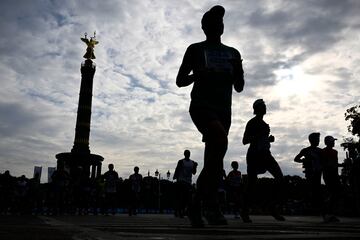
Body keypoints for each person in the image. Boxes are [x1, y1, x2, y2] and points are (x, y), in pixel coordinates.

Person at [176, 5, 244, 227]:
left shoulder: (233, 53)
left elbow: (239, 87)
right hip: (202, 106)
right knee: (219, 141)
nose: (218, 26)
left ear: (223, 27)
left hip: (225, 110)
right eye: (213, 23)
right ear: (205, 27)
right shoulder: (195, 49)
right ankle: (211, 207)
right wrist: (198, 74)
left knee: (214, 162)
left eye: (220, 23)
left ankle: (197, 205)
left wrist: (239, 70)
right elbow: (180, 80)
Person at [242, 99, 285, 222]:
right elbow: (245, 140)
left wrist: (268, 139)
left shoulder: (265, 124)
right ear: (257, 109)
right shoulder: (252, 123)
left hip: (266, 154)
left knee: (280, 179)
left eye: (265, 106)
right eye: (262, 106)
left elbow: (262, 140)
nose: (265, 108)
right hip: (254, 155)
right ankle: (244, 211)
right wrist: (260, 135)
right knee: (251, 184)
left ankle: (272, 206)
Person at [294, 132, 323, 215]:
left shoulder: (320, 151)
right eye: (317, 139)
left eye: (318, 139)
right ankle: (311, 207)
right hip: (310, 172)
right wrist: (304, 160)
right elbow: (296, 159)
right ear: (312, 140)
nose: (318, 141)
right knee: (312, 190)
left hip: (318, 172)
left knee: (317, 190)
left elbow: (324, 162)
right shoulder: (306, 150)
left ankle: (315, 208)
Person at [173, 150, 198, 218]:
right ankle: (180, 211)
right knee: (183, 197)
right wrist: (176, 178)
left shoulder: (192, 162)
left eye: (188, 153)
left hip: (188, 182)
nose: (187, 154)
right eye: (187, 153)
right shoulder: (181, 161)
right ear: (184, 154)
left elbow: (194, 172)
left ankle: (180, 210)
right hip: (181, 181)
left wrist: (195, 166)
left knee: (185, 197)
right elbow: (177, 170)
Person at [322, 136, 341, 222]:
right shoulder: (323, 151)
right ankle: (328, 213)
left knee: (336, 194)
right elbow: (325, 164)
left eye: (333, 141)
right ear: (327, 142)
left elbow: (335, 164)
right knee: (331, 193)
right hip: (328, 175)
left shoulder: (335, 152)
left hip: (334, 175)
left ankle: (331, 213)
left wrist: (337, 175)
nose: (333, 142)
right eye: (332, 141)